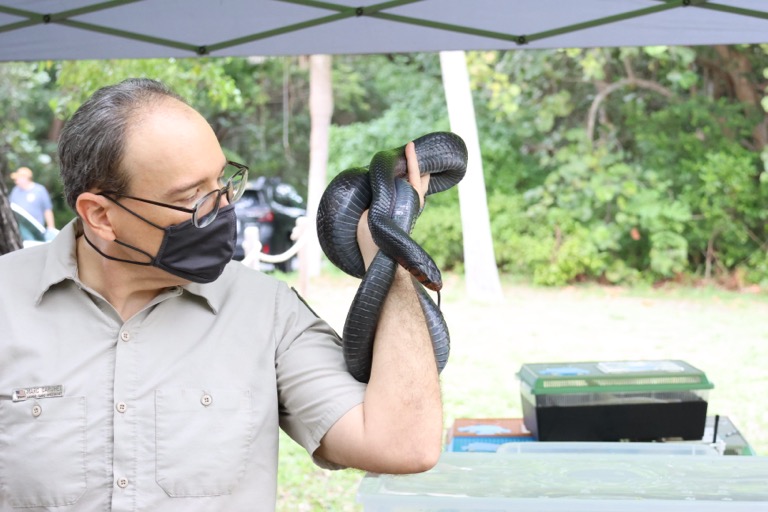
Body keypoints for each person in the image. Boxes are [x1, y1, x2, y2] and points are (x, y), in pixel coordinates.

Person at [0, 78, 442, 511]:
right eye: (193, 197)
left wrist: (391, 252)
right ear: (100, 215)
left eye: (222, 181)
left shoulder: (266, 311)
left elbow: (403, 444)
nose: (223, 207)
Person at [9, 165, 56, 232]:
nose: (16, 181)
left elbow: (47, 210)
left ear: (25, 178)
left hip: (36, 231)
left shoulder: (40, 190)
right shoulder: (15, 191)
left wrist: (51, 228)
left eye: (17, 179)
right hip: (19, 230)